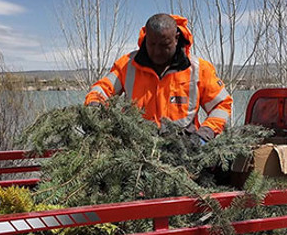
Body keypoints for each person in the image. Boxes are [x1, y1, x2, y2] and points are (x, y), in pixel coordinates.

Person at [85, 13, 232, 144]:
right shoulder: (127, 65)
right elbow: (101, 90)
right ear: (146, 38)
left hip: (184, 151)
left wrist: (205, 134)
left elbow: (222, 105)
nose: (157, 51)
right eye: (152, 44)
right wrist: (94, 108)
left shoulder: (199, 69)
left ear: (176, 38)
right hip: (135, 151)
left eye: (164, 45)